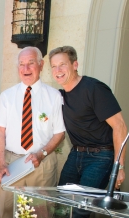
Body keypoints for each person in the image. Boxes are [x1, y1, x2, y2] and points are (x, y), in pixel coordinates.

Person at [49, 46, 127, 218]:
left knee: (79, 211)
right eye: (54, 66)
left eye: (62, 64)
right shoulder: (60, 95)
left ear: (75, 64)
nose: (58, 70)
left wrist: (119, 166)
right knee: (61, 206)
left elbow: (120, 126)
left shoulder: (94, 88)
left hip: (100, 158)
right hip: (75, 154)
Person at [0, 47, 66, 218]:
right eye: (21, 64)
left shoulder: (54, 96)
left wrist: (41, 154)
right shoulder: (6, 96)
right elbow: (0, 133)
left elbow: (59, 133)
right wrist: (2, 163)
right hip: (11, 164)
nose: (26, 69)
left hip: (42, 164)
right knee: (6, 211)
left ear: (41, 65)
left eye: (31, 63)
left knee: (42, 212)